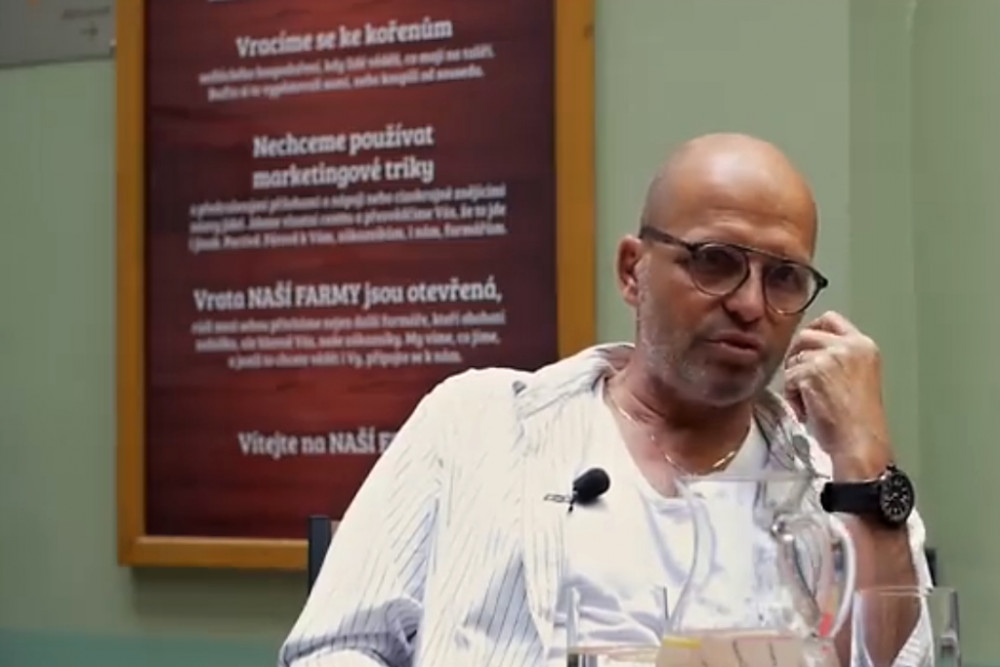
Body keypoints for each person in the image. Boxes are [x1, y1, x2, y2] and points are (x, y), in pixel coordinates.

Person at [278, 133, 932, 667]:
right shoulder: (476, 421)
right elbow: (333, 649)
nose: (750, 303)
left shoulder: (843, 485)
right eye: (715, 260)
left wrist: (865, 456)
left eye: (784, 276)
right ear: (631, 271)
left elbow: (895, 661)